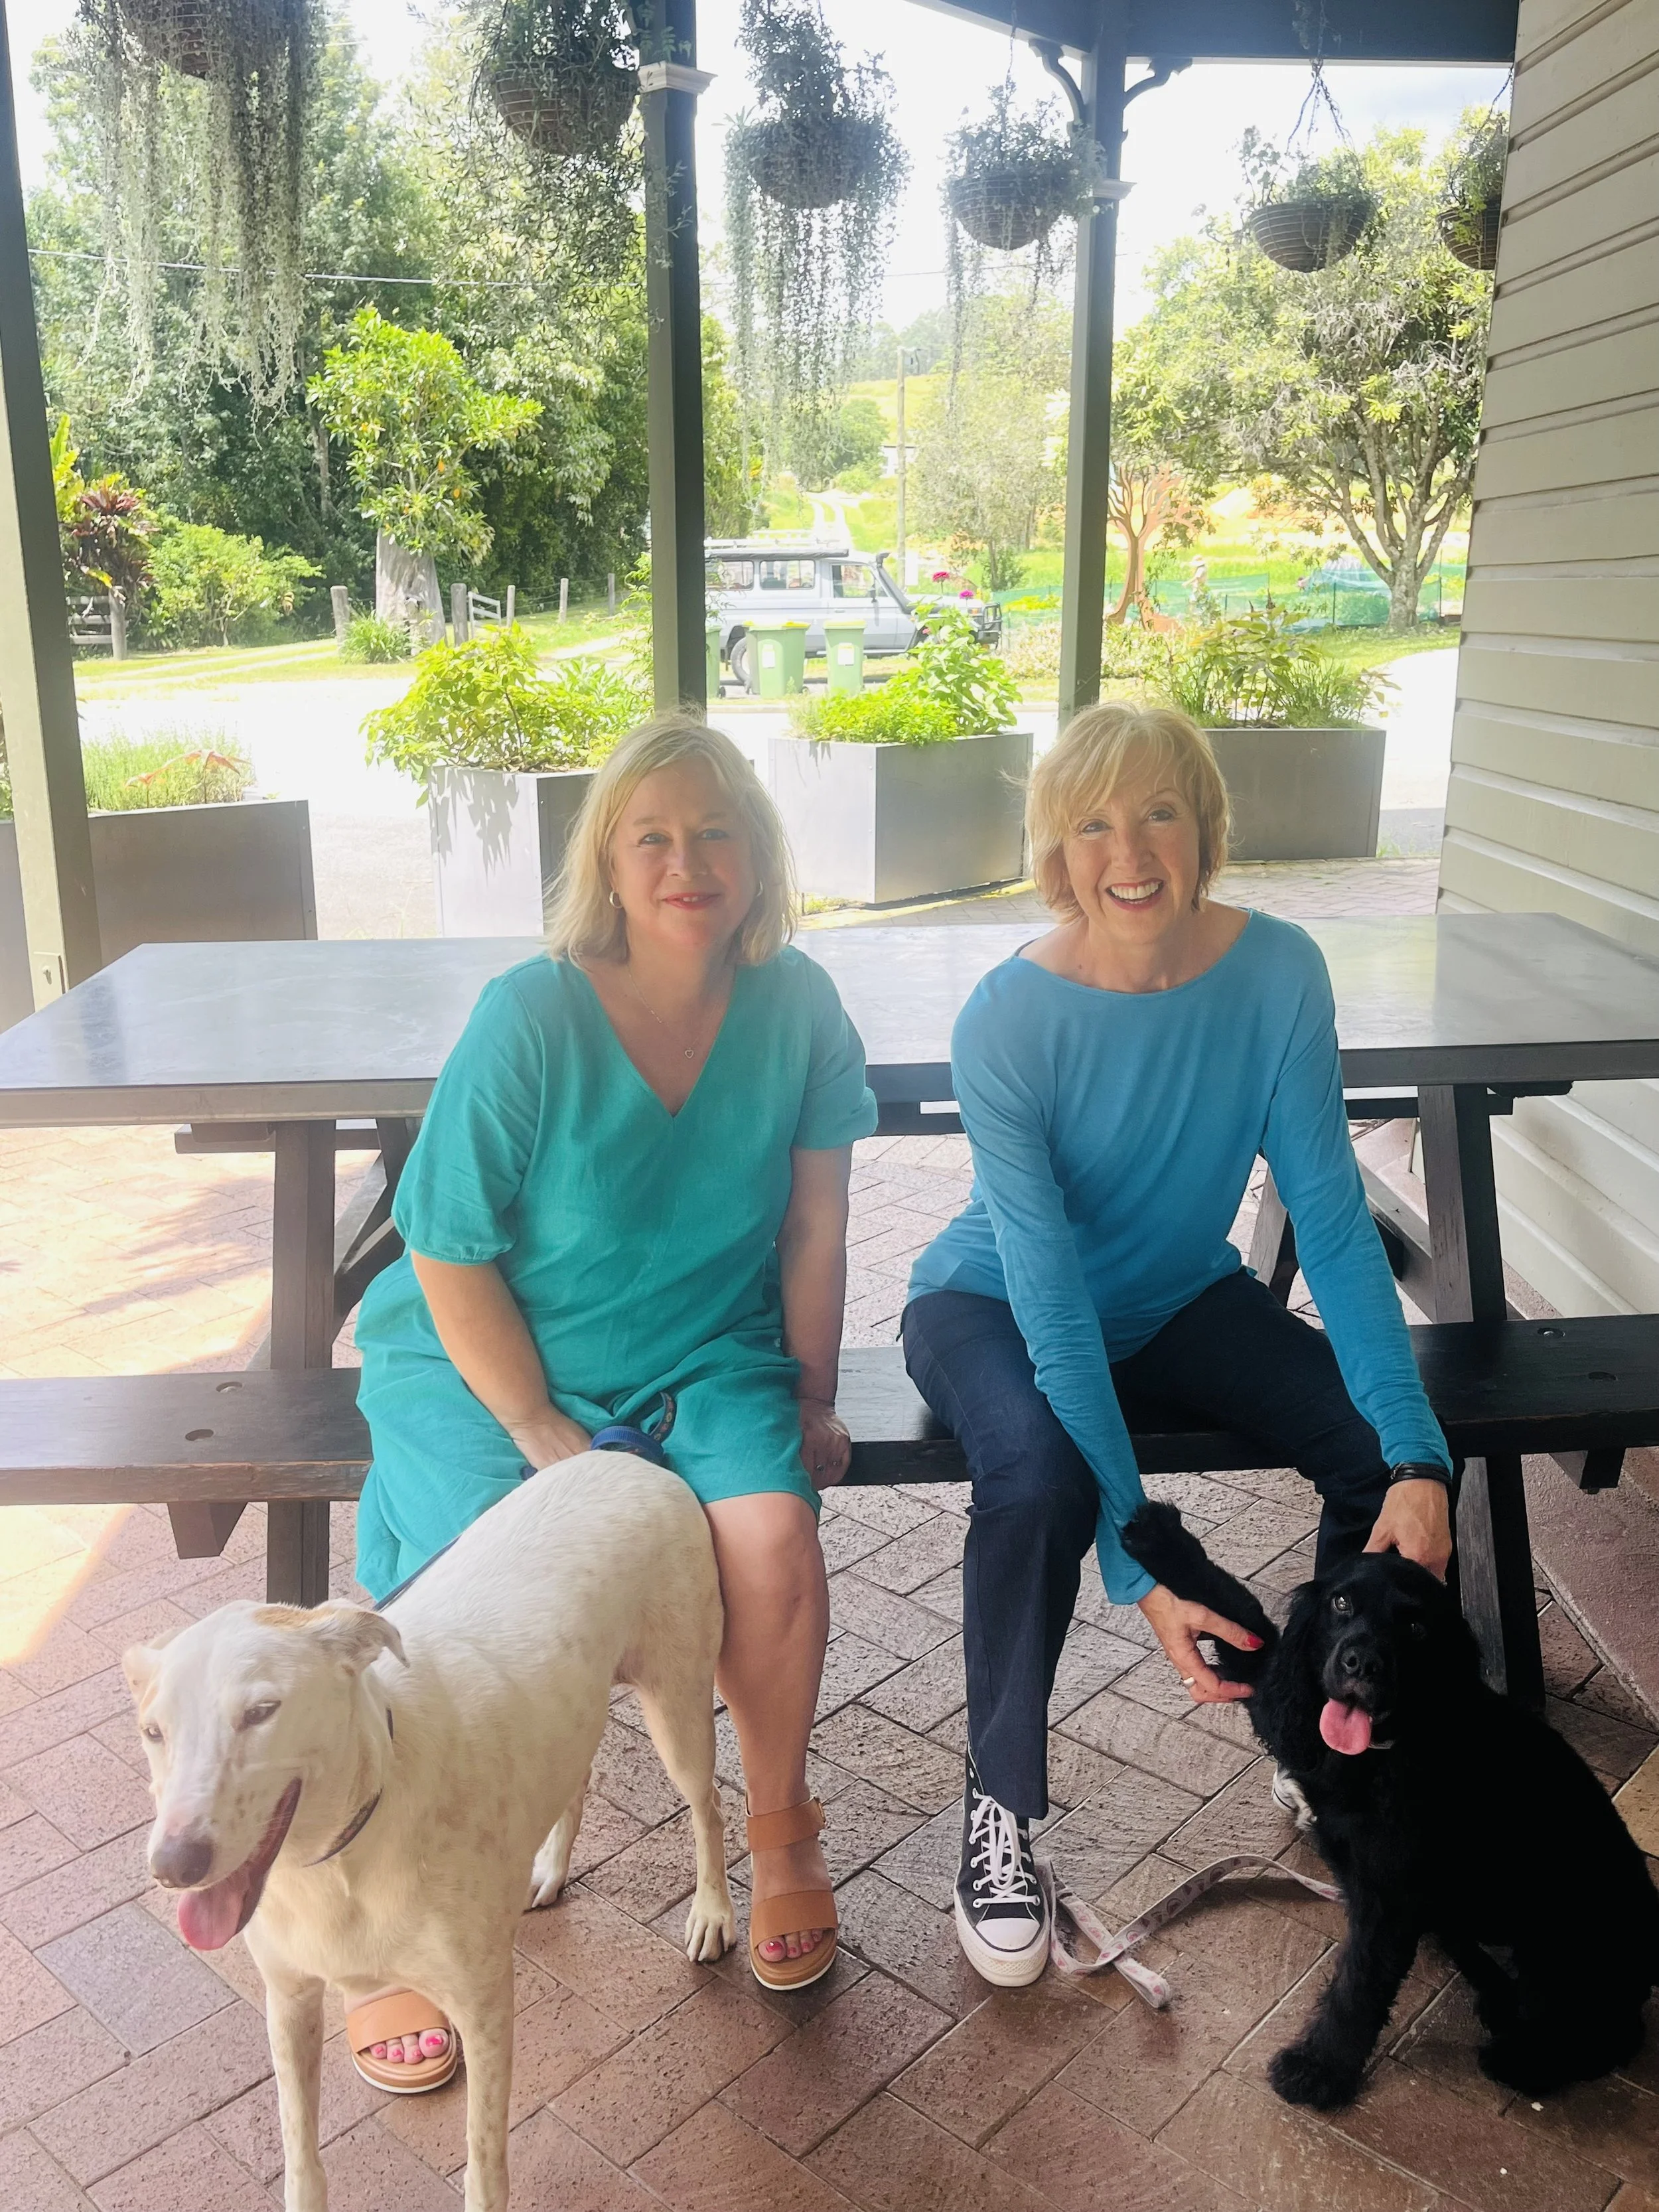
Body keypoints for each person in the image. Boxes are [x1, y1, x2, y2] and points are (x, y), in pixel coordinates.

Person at [348, 718, 877, 2082]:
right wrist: (538, 1436)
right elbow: (447, 1247)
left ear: (757, 859)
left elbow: (815, 1223)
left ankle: (779, 1831)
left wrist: (810, 1391)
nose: (686, 860)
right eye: (652, 835)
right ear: (607, 861)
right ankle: (396, 1914)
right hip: (496, 1356)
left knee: (767, 1530)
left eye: (715, 832)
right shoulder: (530, 1014)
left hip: (706, 1348)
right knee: (471, 1582)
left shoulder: (800, 1003)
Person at [902, 701, 1455, 1988]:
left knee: (1384, 1457)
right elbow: (1046, 1302)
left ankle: (1325, 1729)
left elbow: (1326, 1218)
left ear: (1202, 825)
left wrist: (1421, 1454)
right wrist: (1137, 1561)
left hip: (1172, 1295)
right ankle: (1001, 1808)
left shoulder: (1277, 976)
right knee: (1037, 1476)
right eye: (1091, 821)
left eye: (1157, 808)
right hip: (988, 1305)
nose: (1129, 848)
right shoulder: (1003, 1023)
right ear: (1055, 851)